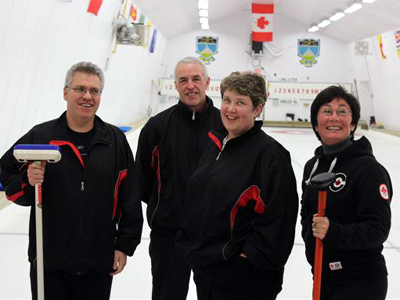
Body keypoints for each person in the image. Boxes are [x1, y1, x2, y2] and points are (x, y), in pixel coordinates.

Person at [0, 62, 143, 300]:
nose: (87, 96)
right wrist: (27, 179)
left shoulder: (115, 141)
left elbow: (129, 196)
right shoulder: (42, 137)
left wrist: (124, 245)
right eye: (80, 89)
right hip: (49, 261)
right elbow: (7, 178)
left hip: (98, 261)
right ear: (65, 92)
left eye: (94, 91)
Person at [175, 71, 299, 300]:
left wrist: (248, 257)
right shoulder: (217, 144)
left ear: (257, 109)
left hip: (243, 278)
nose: (230, 109)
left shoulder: (270, 155)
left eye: (240, 102)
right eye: (227, 100)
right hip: (208, 267)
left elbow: (279, 219)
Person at [135, 57, 223, 299]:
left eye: (196, 79)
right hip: (168, 236)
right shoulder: (157, 127)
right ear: (176, 85)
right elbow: (142, 182)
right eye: (183, 80)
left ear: (207, 82)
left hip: (213, 236)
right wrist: (166, 207)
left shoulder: (225, 125)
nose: (190, 85)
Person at [301, 85, 392, 300]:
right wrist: (312, 256)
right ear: (315, 123)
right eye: (326, 111)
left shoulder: (370, 170)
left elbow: (378, 229)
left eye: (342, 111)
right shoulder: (311, 167)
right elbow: (306, 217)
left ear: (352, 124)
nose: (334, 117)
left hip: (360, 281)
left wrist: (333, 231)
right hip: (323, 276)